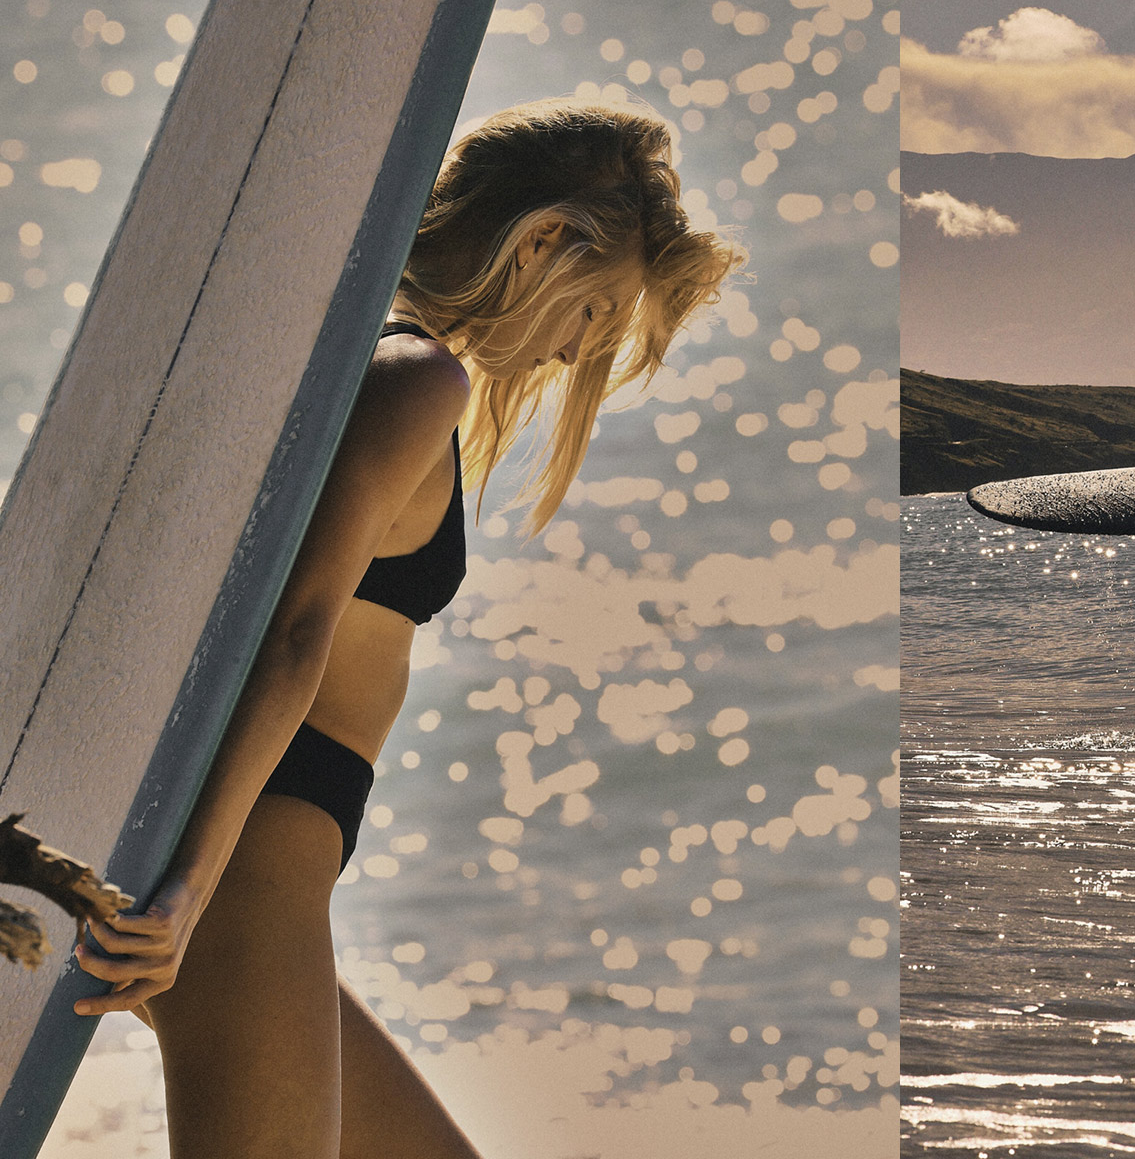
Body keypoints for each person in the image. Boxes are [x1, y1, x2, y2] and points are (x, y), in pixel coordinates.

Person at [68, 99, 741, 1158]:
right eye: (596, 315)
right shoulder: (419, 377)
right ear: (543, 242)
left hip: (256, 863)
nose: (580, 354)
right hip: (250, 862)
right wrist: (191, 889)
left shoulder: (358, 358)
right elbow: (296, 635)